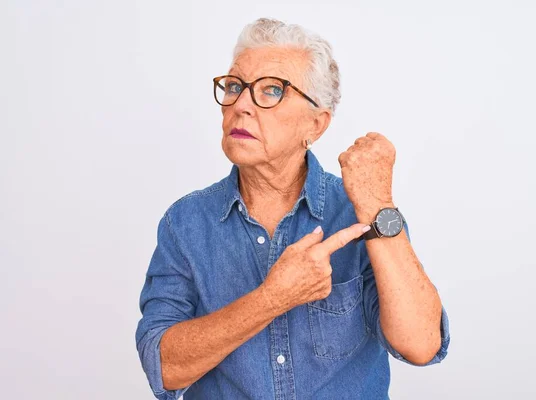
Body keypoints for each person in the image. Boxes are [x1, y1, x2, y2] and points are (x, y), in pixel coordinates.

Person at [135, 17, 450, 400]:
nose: (241, 105)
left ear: (316, 125)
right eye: (234, 87)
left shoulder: (359, 212)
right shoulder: (184, 223)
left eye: (271, 91)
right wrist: (272, 298)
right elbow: (164, 368)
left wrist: (379, 207)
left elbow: (421, 345)